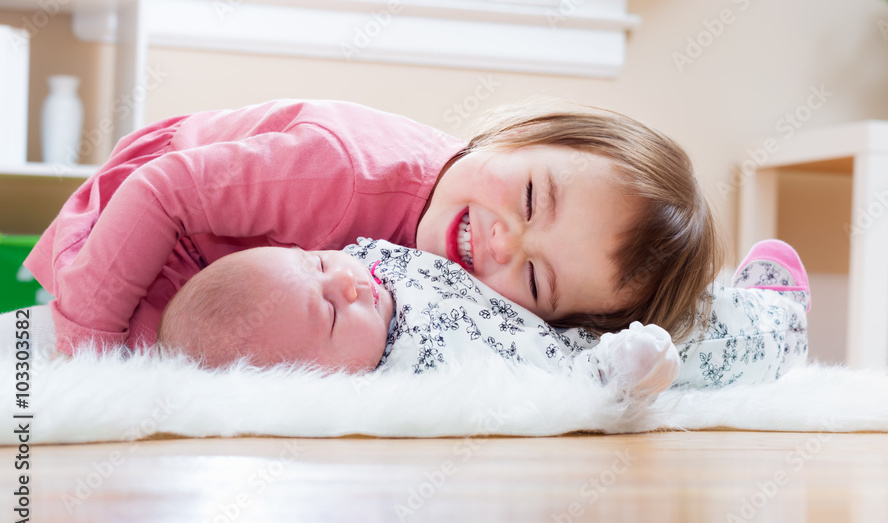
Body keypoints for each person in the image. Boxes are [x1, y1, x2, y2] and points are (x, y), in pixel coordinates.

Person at [24, 98, 720, 360]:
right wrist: (86, 359)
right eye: (532, 196)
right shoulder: (341, 172)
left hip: (244, 264)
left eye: (535, 278)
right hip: (155, 221)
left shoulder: (458, 276)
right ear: (525, 133)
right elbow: (162, 192)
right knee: (157, 345)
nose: (505, 241)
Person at [156, 240, 682, 400]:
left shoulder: (373, 258)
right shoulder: (413, 374)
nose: (346, 281)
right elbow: (532, 394)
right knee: (707, 341)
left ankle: (755, 287)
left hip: (573, 291)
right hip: (601, 340)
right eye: (332, 314)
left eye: (316, 262)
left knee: (688, 292)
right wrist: (608, 377)